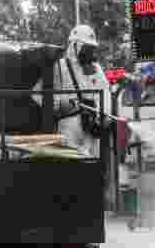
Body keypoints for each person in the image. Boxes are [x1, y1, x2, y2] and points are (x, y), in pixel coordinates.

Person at [31, 24, 111, 158]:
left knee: (93, 165)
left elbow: (105, 92)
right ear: (75, 46)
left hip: (91, 126)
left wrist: (103, 114)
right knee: (72, 164)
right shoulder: (59, 66)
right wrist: (58, 104)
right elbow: (37, 93)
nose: (90, 52)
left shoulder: (95, 69)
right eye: (87, 48)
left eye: (92, 48)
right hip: (68, 127)